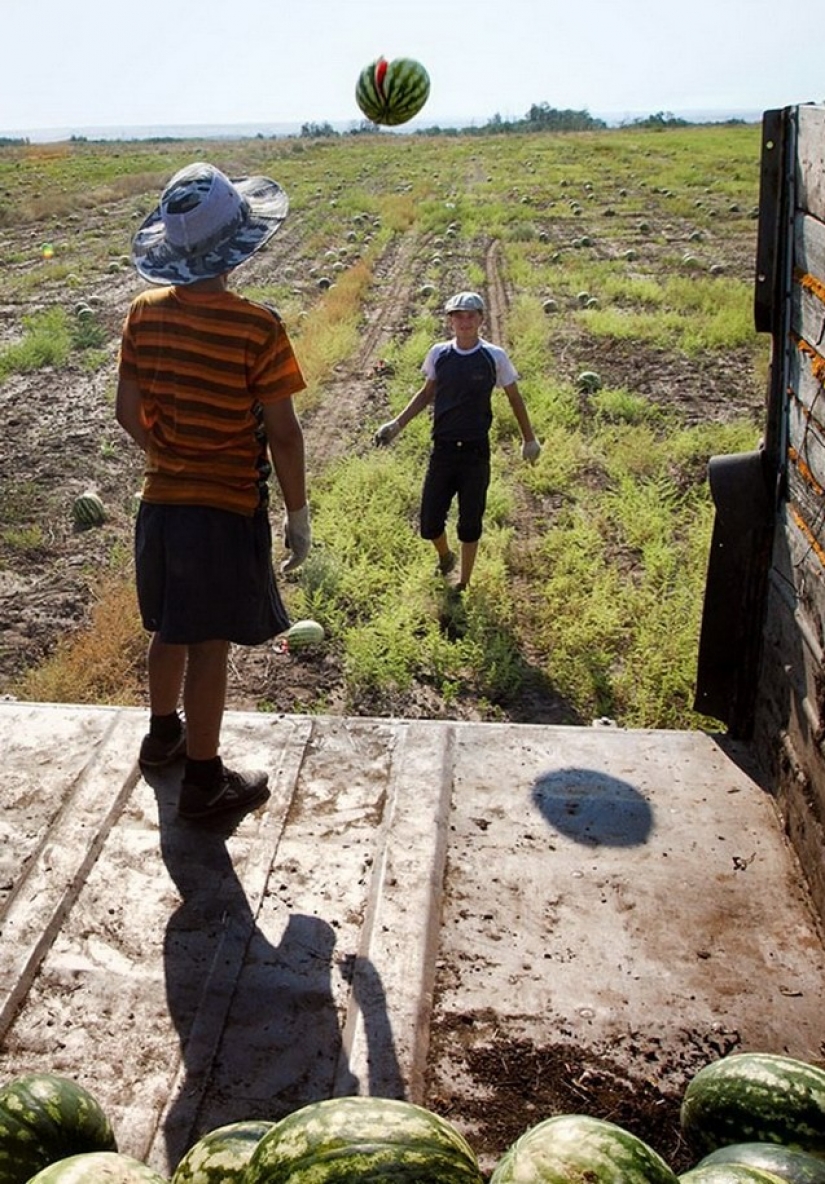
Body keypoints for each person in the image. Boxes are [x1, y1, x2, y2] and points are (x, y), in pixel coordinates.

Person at [115, 161, 310, 821]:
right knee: (208, 646)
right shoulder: (258, 327)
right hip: (222, 513)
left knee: (169, 627)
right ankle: (203, 781)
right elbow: (284, 434)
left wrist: (167, 453)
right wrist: (298, 513)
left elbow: (126, 412)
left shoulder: (142, 314)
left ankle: (161, 737)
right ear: (237, 245)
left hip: (160, 507)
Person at [374, 291, 540, 591]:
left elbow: (515, 398)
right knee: (429, 523)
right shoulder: (440, 354)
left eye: (470, 316)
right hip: (443, 451)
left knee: (469, 523)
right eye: (458, 316)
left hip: (476, 453)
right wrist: (396, 424)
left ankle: (463, 582)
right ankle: (445, 556)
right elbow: (427, 394)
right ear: (450, 321)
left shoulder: (494, 357)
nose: (465, 322)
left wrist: (529, 439)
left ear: (481, 319)